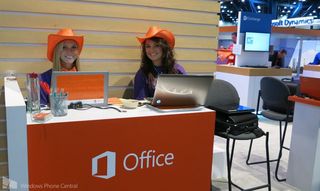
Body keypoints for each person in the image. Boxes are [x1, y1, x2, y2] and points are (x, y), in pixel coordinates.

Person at [134, 26, 186, 100]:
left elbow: (187, 95)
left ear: (165, 48)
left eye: (156, 45)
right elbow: (140, 102)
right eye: (148, 46)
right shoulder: (142, 73)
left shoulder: (178, 70)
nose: (151, 50)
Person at [40, 28, 84, 105]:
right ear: (57, 51)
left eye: (73, 47)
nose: (69, 51)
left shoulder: (84, 79)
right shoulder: (43, 79)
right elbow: (41, 111)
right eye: (64, 47)